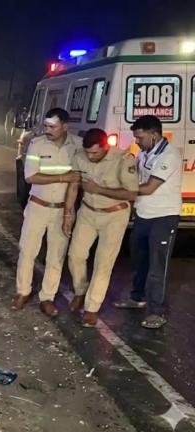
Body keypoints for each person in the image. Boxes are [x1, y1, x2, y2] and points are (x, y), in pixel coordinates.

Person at [63, 129, 138, 327]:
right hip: (87, 212)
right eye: (88, 152)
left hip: (114, 216)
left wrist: (99, 190)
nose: (90, 156)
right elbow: (73, 186)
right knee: (75, 255)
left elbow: (131, 194)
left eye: (95, 153)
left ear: (106, 147)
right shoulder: (80, 156)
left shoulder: (123, 159)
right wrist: (68, 214)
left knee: (103, 263)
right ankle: (81, 291)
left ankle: (92, 308)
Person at [114, 115, 183, 329]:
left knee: (157, 266)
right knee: (139, 259)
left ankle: (156, 311)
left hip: (163, 217)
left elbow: (149, 187)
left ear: (154, 135)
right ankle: (138, 297)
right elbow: (136, 178)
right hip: (144, 214)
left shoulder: (169, 155)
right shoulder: (144, 153)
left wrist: (113, 192)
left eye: (140, 137)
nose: (137, 141)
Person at [12, 108, 82, 317]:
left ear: (65, 126)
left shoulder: (78, 145)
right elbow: (30, 176)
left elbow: (77, 180)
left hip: (62, 209)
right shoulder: (37, 144)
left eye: (53, 126)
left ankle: (47, 297)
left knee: (56, 256)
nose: (48, 130)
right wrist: (63, 177)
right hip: (38, 206)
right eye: (46, 126)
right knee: (27, 251)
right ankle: (23, 291)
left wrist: (68, 215)